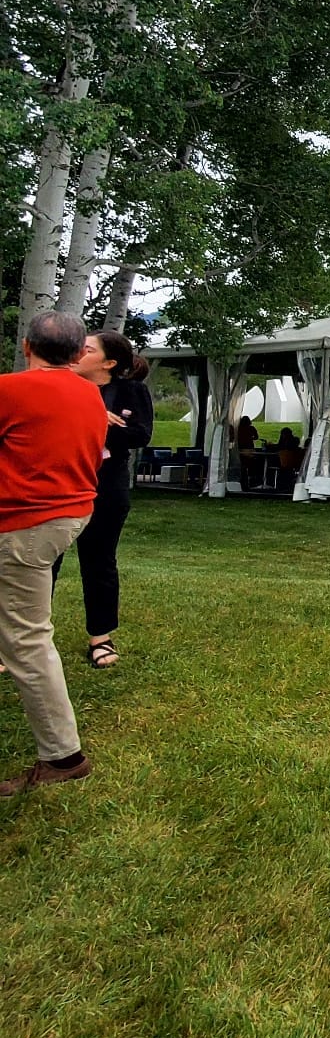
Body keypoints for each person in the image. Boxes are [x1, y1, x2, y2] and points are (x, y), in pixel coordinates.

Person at [0, 311, 111, 797]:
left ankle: (62, 756)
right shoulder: (89, 394)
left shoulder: (11, 390)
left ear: (28, 348)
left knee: (26, 639)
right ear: (74, 355)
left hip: (23, 526)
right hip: (68, 517)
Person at [52, 331, 155, 669]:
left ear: (109, 363)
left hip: (105, 487)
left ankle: (101, 637)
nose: (78, 351)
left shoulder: (130, 391)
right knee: (42, 563)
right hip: (58, 484)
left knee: (99, 562)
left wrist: (101, 423)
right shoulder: (59, 385)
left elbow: (139, 434)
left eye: (88, 348)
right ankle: (24, 640)